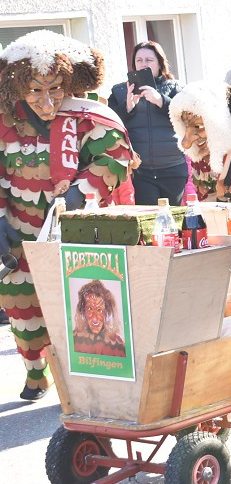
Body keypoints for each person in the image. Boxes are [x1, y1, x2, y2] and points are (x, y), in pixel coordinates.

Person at [0, 31, 135, 401]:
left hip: (74, 230)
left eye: (55, 89)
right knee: (20, 303)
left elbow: (116, 157)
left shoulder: (88, 116)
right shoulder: (4, 120)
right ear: (18, 87)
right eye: (35, 92)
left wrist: (81, 191)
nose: (47, 101)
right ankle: (34, 371)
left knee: (81, 303)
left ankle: (82, 377)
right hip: (17, 233)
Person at [107, 41, 188, 206]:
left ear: (160, 63)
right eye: (139, 60)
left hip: (172, 168)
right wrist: (127, 107)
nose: (143, 64)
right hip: (141, 171)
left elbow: (188, 118)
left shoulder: (176, 88)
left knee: (174, 221)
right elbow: (109, 125)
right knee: (149, 222)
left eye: (149, 60)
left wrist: (161, 101)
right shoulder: (120, 91)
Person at [71, 280, 126, 357]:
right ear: (83, 310)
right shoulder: (73, 339)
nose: (95, 318)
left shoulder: (118, 346)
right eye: (90, 309)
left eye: (99, 310)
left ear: (107, 312)